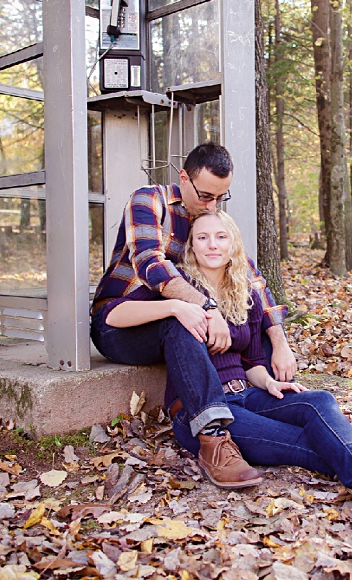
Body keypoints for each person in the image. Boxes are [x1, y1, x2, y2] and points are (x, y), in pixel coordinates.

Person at [103, 210, 352, 522]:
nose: (211, 245)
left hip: (249, 395)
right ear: (190, 245)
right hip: (206, 416)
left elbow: (250, 362)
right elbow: (113, 318)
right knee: (306, 446)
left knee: (318, 401)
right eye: (202, 237)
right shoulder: (177, 285)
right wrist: (177, 305)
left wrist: (269, 383)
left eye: (221, 236)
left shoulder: (246, 293)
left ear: (233, 244)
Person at [90, 143, 296, 489]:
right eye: (205, 196)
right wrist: (207, 307)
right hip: (122, 321)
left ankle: (266, 394)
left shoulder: (208, 221)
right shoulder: (149, 200)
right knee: (182, 317)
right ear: (183, 177)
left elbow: (251, 277)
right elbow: (149, 263)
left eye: (220, 198)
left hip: (179, 319)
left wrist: (280, 342)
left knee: (249, 316)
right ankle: (213, 439)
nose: (211, 204)